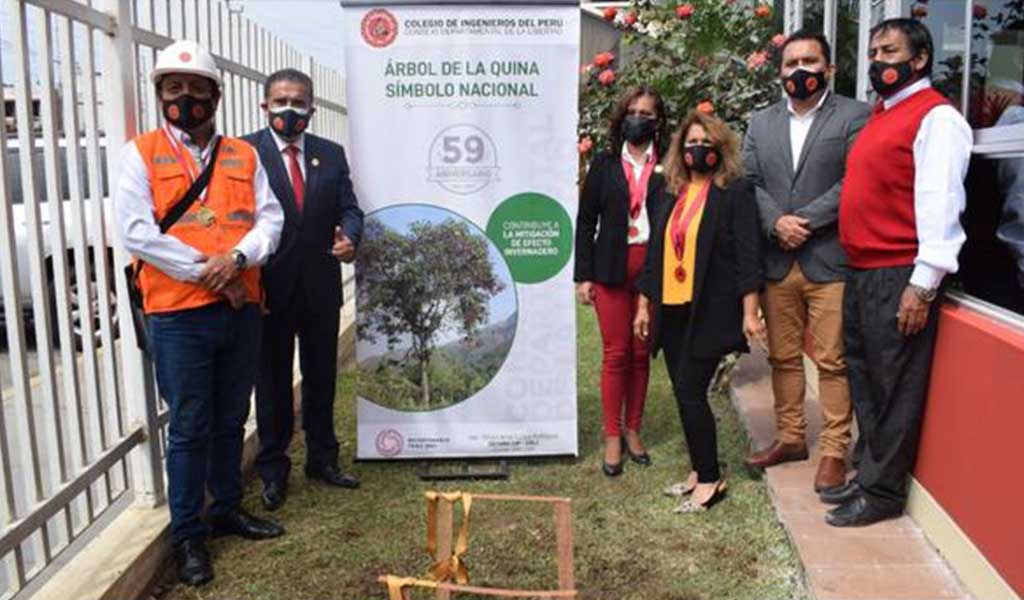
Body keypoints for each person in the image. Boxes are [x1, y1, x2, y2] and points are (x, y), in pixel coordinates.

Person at [114, 40, 285, 586]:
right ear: (159, 94)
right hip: (179, 313)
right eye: (172, 88)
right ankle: (188, 534)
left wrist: (236, 259)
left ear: (216, 94)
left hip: (240, 308)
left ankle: (226, 508)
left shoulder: (244, 154)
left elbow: (270, 220)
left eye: (195, 88)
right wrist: (208, 271)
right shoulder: (138, 154)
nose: (184, 97)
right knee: (189, 425)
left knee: (233, 416)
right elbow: (137, 232)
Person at [825, 18, 971, 526]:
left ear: (919, 58)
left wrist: (923, 284)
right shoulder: (881, 115)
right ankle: (867, 475)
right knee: (864, 378)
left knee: (893, 387)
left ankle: (882, 495)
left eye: (889, 50)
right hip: (862, 269)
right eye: (874, 50)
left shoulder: (936, 118)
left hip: (898, 273)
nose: (878, 60)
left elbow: (939, 200)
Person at [741, 31, 871, 494]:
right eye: (791, 61)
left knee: (833, 361)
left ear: (829, 69)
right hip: (778, 261)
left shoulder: (855, 115)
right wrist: (777, 223)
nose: (800, 70)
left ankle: (835, 450)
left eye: (810, 61)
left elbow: (855, 179)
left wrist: (806, 222)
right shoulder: (760, 123)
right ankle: (792, 437)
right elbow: (750, 182)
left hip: (828, 259)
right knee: (783, 358)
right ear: (779, 70)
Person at [244, 68, 365, 511]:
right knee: (271, 383)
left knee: (321, 378)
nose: (289, 109)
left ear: (311, 110)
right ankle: (273, 471)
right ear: (265, 106)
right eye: (280, 101)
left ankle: (323, 459)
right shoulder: (244, 153)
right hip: (268, 292)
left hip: (320, 288)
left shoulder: (331, 155)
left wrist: (351, 237)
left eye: (298, 102)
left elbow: (349, 208)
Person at [634, 110, 764, 511]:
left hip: (710, 309)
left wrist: (750, 313)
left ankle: (711, 479)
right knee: (682, 391)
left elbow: (749, 258)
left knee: (691, 391)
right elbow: (655, 254)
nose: (698, 150)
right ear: (680, 149)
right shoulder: (668, 192)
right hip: (670, 308)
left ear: (720, 148)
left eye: (706, 143)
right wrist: (643, 304)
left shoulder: (735, 192)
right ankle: (699, 469)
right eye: (691, 142)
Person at [574, 86, 668, 477]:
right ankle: (612, 434)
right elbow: (586, 220)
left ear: (658, 121)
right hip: (611, 266)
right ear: (621, 117)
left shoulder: (670, 165)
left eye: (647, 113)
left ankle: (633, 429)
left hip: (654, 267)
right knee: (616, 354)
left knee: (640, 354)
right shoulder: (604, 164)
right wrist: (584, 276)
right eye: (632, 111)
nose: (639, 118)